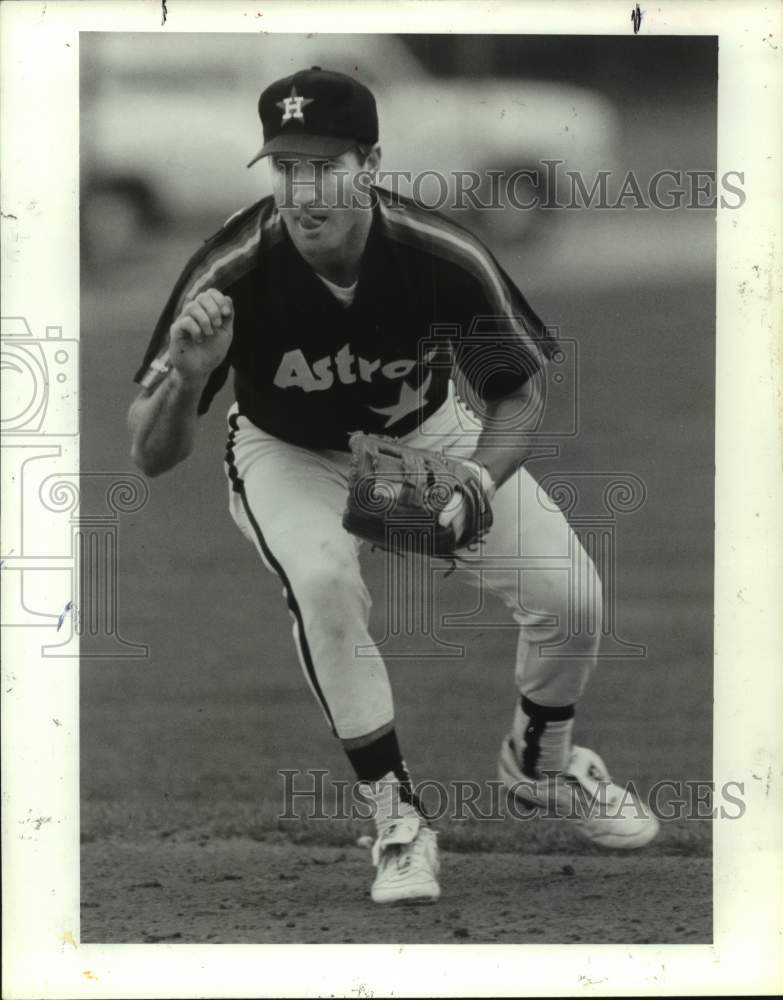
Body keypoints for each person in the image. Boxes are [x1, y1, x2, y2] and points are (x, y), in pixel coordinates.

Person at [129, 66, 658, 906]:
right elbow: (151, 453)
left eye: (325, 166)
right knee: (325, 583)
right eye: (286, 168)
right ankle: (397, 816)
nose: (303, 190)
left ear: (370, 164)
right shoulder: (231, 268)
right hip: (288, 453)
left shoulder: (435, 255)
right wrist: (187, 382)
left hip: (426, 434)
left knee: (573, 599)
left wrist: (476, 481)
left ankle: (541, 767)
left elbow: (515, 395)